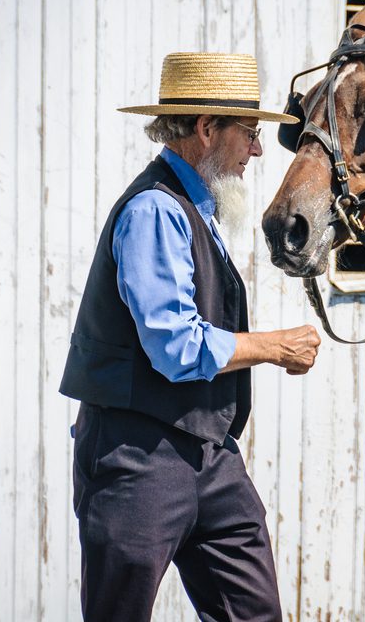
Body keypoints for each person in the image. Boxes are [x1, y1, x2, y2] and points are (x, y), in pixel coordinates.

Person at [59, 52, 320, 622]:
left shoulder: (197, 208)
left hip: (209, 457)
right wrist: (274, 347)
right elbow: (176, 346)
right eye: (250, 132)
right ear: (206, 128)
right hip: (137, 459)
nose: (256, 149)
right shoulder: (156, 209)